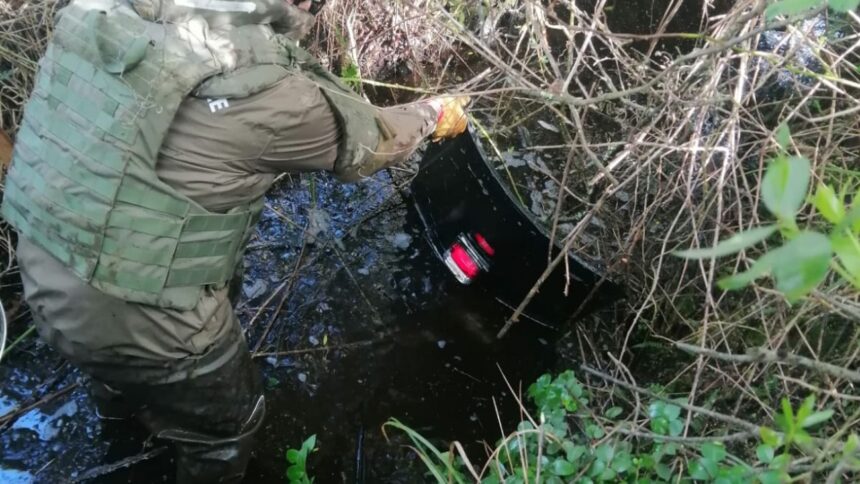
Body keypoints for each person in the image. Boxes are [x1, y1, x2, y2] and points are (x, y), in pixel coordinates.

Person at [0, 0, 469, 482]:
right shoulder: (266, 89)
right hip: (137, 321)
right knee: (229, 425)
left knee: (115, 371)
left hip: (42, 268)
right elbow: (375, 141)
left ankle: (118, 421)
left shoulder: (107, 12)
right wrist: (434, 112)